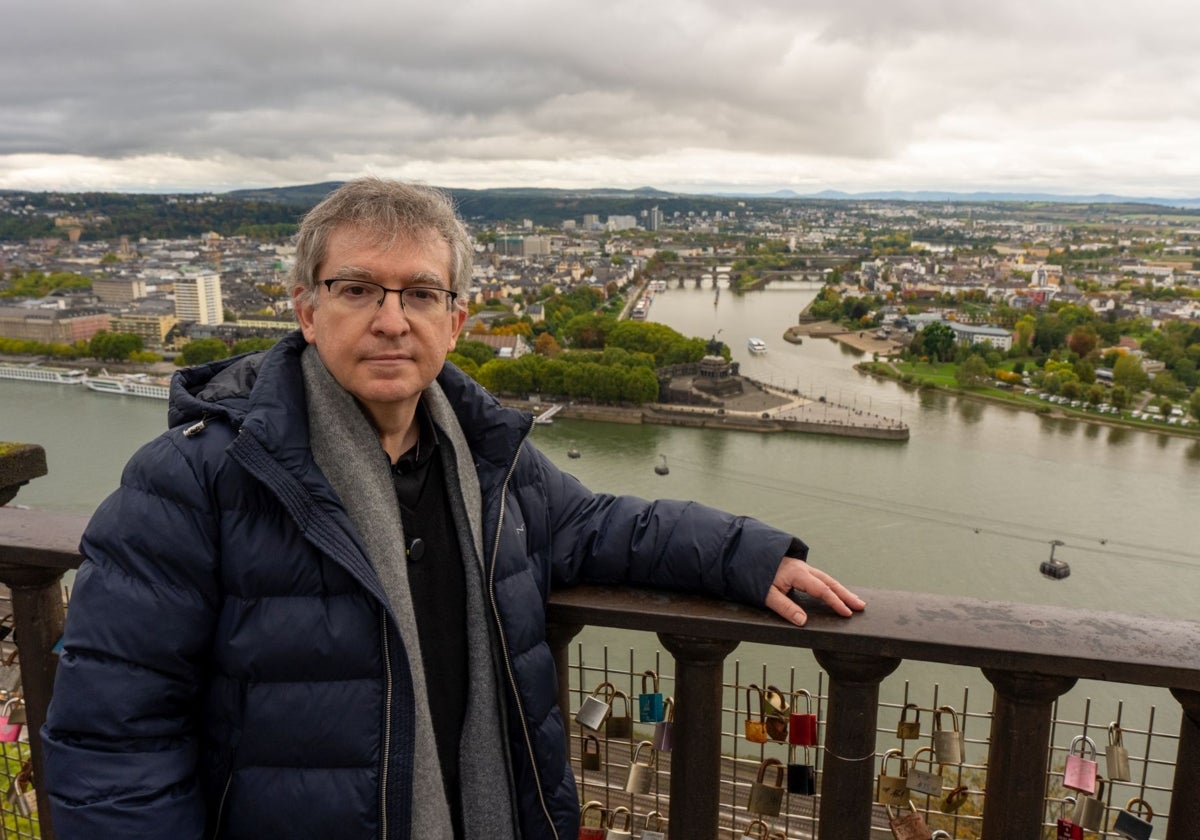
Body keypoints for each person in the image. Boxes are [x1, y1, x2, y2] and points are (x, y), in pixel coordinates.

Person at [42, 177, 865, 840]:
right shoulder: (192, 480)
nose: (391, 321)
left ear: (456, 320)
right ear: (305, 310)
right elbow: (112, 740)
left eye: (421, 294)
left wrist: (747, 555)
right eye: (357, 289)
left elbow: (597, 526)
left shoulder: (488, 459)